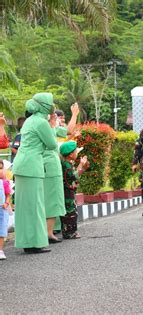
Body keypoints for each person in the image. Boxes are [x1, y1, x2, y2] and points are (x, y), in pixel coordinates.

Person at [12, 93, 58, 254]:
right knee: (36, 205)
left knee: (25, 207)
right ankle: (35, 243)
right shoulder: (41, 122)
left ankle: (28, 242)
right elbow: (52, 145)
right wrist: (53, 125)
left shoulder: (30, 120)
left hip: (22, 165)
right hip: (31, 167)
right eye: (50, 103)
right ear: (44, 106)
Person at [44, 103, 80, 243]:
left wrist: (75, 114)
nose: (59, 120)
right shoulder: (43, 126)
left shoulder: (53, 128)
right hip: (48, 166)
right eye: (56, 117)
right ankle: (55, 231)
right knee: (55, 201)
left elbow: (68, 131)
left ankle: (54, 230)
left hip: (55, 165)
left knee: (57, 201)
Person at [59, 141, 89, 239]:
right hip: (67, 191)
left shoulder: (66, 163)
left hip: (68, 190)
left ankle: (67, 231)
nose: (77, 153)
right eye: (76, 152)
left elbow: (74, 176)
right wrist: (83, 169)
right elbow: (73, 177)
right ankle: (70, 232)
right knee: (70, 211)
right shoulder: (66, 165)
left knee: (68, 211)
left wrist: (80, 164)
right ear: (71, 154)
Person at [0, 160, 12, 260]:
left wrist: (6, 203)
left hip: (2, 210)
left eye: (1, 169)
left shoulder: (5, 183)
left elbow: (8, 195)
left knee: (2, 230)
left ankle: (0, 250)